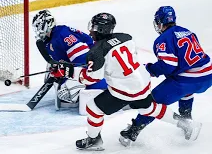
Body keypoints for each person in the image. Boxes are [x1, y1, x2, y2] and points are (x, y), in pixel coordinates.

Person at [48, 12, 202, 151]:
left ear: (100, 30)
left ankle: (94, 140)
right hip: (142, 83)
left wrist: (67, 71)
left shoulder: (96, 52)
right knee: (150, 108)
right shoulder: (125, 37)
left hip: (125, 90)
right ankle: (186, 124)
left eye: (93, 28)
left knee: (93, 108)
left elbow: (92, 78)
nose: (90, 31)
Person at [119, 6, 212, 146]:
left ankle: (132, 132)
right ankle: (187, 117)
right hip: (208, 75)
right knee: (184, 86)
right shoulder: (187, 31)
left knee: (152, 102)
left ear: (160, 22)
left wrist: (148, 69)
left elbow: (168, 65)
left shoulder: (163, 39)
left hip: (189, 80)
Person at [32, 9, 107, 112]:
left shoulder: (62, 34)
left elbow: (83, 59)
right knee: (51, 73)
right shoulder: (50, 39)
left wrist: (68, 72)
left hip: (93, 68)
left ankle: (92, 87)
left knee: (65, 92)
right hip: (79, 66)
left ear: (47, 24)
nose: (37, 31)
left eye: (39, 27)